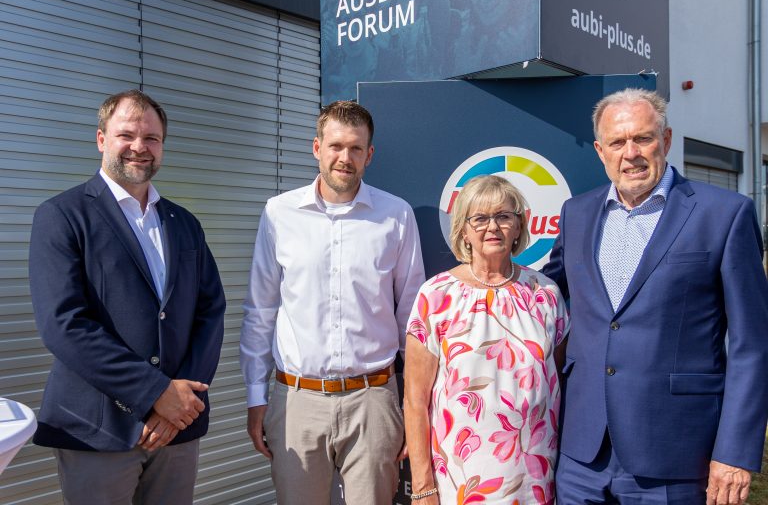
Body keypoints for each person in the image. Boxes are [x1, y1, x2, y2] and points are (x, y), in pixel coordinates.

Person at [542, 88, 768, 504]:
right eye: (617, 142)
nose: (631, 153)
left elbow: (752, 344)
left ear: (665, 139)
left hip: (675, 453)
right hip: (582, 455)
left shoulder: (725, 213)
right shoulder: (577, 213)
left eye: (642, 138)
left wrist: (734, 452)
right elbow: (540, 293)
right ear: (600, 151)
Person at [28, 90, 226, 504]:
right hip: (97, 428)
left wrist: (182, 404)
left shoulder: (184, 223)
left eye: (152, 138)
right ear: (102, 139)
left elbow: (210, 311)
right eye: (127, 135)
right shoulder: (62, 216)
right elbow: (63, 325)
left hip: (176, 430)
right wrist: (155, 393)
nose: (140, 147)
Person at [240, 100, 425, 504]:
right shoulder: (279, 214)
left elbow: (413, 319)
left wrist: (413, 406)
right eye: (336, 146)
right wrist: (256, 396)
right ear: (316, 148)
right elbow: (261, 311)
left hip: (373, 401)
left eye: (356, 148)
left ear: (369, 155)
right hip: (297, 401)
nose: (345, 157)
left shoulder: (396, 216)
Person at [403, 175, 569, 504]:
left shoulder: (546, 294)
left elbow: (560, 378)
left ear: (519, 226)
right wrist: (423, 486)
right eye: (479, 218)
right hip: (460, 478)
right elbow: (415, 400)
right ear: (464, 231)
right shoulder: (436, 296)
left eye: (504, 216)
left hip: (534, 477)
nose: (492, 226)